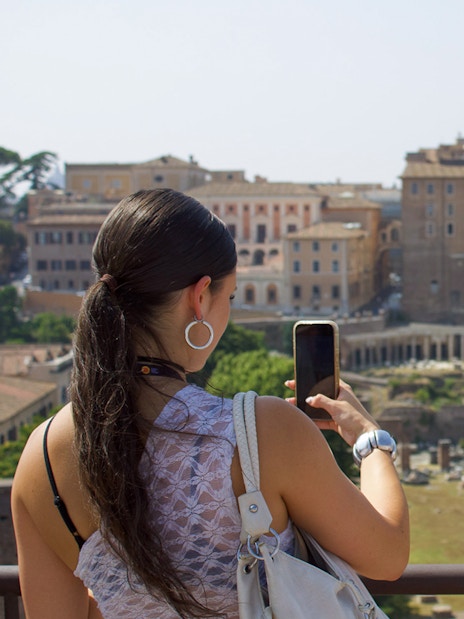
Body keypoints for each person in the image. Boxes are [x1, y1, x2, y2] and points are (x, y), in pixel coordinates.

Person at [12, 188, 409, 619]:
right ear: (199, 297)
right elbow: (387, 556)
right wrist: (370, 440)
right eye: (231, 297)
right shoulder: (265, 429)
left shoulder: (39, 457)